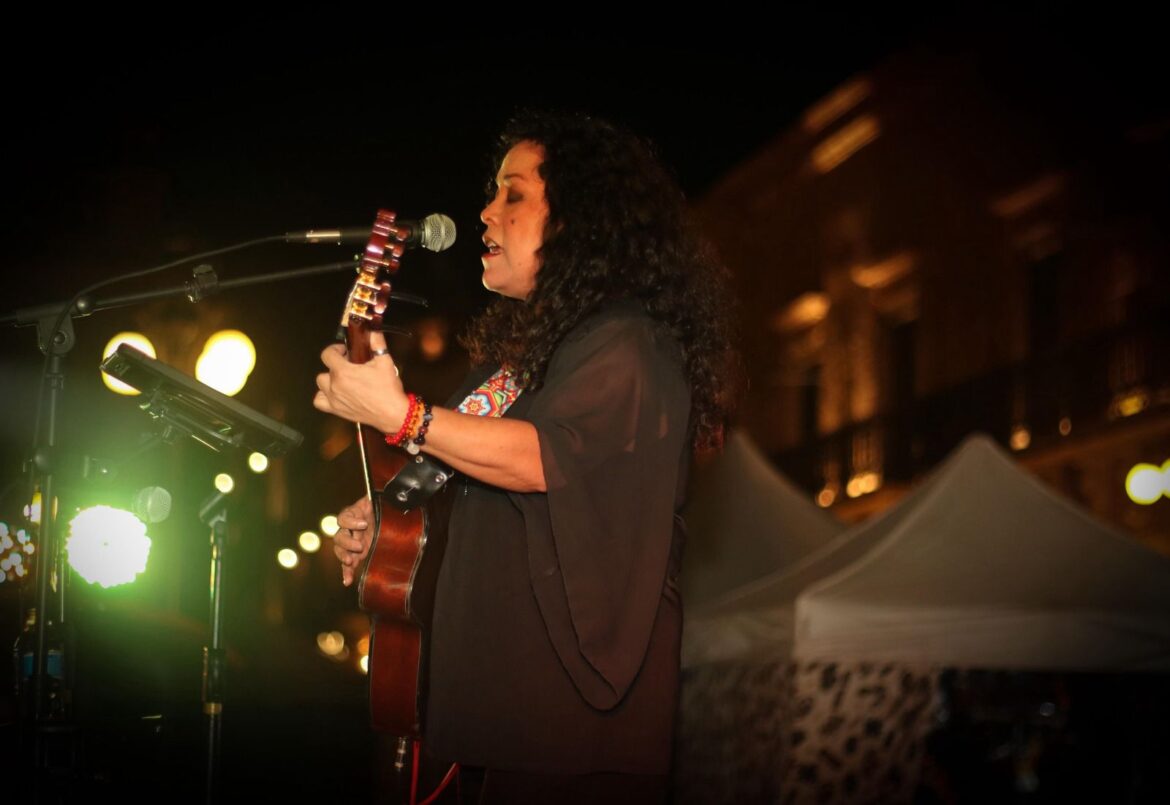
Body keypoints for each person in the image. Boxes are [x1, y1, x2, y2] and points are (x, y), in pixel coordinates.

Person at [314, 110, 738, 803]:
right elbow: (470, 486)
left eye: (513, 193)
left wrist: (404, 414)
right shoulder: (518, 367)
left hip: (569, 735)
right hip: (494, 725)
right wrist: (390, 524)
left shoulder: (630, 339)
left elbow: (545, 459)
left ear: (581, 219)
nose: (485, 212)